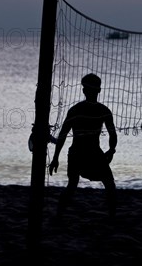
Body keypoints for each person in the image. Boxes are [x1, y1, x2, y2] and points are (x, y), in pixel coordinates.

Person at [49, 73, 118, 218]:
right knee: (108, 185)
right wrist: (111, 151)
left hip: (81, 154)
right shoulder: (100, 111)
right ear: (98, 90)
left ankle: (59, 215)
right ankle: (112, 217)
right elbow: (113, 135)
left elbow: (62, 135)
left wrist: (55, 158)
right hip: (86, 154)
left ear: (84, 90)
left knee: (73, 185)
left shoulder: (77, 110)